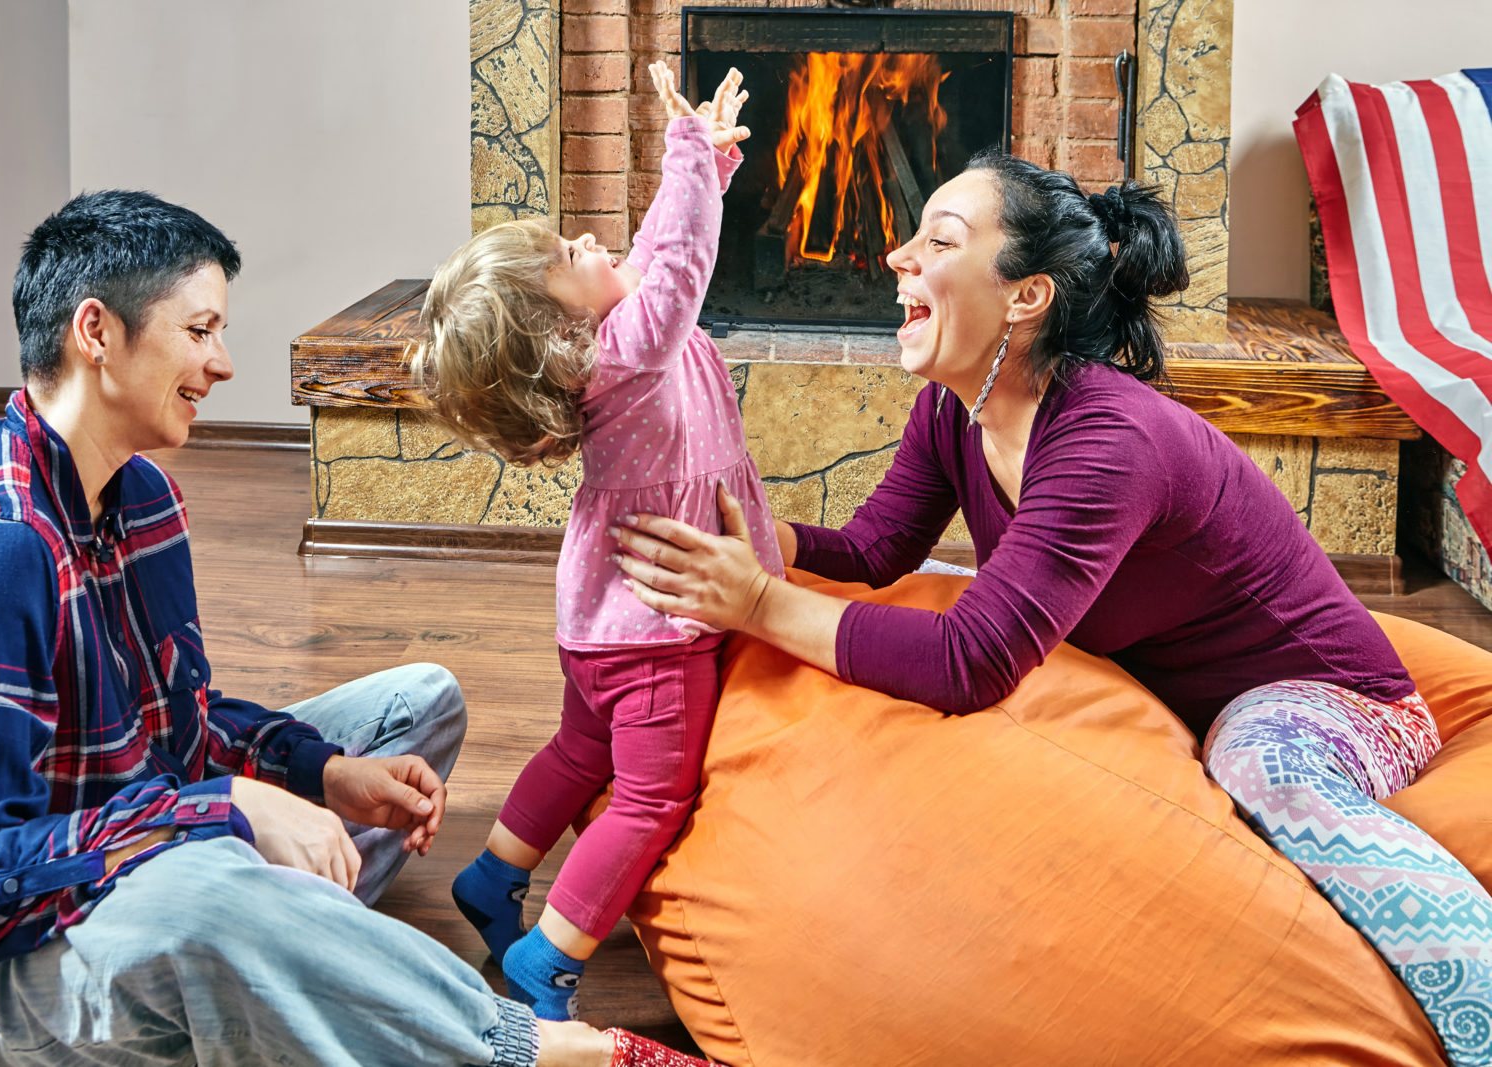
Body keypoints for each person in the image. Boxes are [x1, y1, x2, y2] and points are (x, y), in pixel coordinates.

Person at [608, 153, 1492, 1066]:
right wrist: (754, 538)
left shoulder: (1109, 440)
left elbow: (970, 662)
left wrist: (755, 603)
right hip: (1195, 699)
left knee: (1256, 756)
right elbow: (873, 555)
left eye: (939, 240)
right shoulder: (958, 411)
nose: (897, 257)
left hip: (1344, 707)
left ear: (1026, 297)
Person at [0, 189, 717, 1067]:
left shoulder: (142, 498)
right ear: (96, 333)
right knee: (213, 892)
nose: (224, 364)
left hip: (130, 840)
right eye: (200, 331)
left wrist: (321, 771)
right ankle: (527, 1046)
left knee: (419, 704)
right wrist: (219, 813)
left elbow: (180, 726)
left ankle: (287, 963)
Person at [413, 64, 782, 1023]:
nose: (586, 237)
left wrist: (713, 163)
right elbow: (681, 268)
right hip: (652, 631)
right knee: (650, 797)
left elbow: (664, 250)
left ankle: (495, 874)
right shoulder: (628, 349)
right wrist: (686, 150)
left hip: (597, 620)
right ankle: (552, 956)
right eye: (565, 258)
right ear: (568, 334)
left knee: (581, 748)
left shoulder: (615, 333)